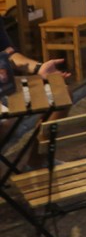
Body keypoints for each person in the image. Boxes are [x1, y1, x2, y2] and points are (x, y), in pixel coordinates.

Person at [0, 20, 70, 167]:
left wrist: (38, 68)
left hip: (5, 84)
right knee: (5, 123)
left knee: (62, 93)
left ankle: (37, 163)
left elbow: (10, 54)